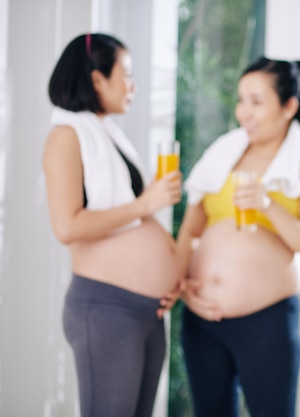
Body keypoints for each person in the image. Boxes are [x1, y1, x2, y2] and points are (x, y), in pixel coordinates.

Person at [176, 57, 300, 417]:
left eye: (256, 102)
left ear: (289, 106)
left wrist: (267, 205)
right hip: (202, 319)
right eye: (241, 100)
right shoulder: (221, 155)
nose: (244, 112)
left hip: (267, 323)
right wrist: (183, 283)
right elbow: (189, 231)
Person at [42, 33, 183, 417]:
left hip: (146, 311)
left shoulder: (109, 136)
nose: (133, 85)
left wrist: (173, 276)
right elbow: (67, 226)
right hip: (107, 308)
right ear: (97, 79)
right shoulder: (65, 137)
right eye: (128, 74)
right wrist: (145, 202)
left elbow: (135, 221)